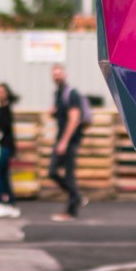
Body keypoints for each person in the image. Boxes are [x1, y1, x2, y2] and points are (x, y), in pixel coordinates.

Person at [48, 63, 88, 221]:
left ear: (65, 75)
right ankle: (76, 197)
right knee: (52, 172)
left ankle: (71, 210)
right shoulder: (58, 93)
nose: (57, 76)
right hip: (62, 138)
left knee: (68, 175)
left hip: (70, 139)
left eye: (59, 73)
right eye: (54, 74)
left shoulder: (71, 94)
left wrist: (64, 142)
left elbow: (74, 119)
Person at [0, 82, 21, 219]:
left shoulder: (5, 110)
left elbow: (3, 130)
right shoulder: (1, 109)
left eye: (2, 91)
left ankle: (3, 201)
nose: (0, 94)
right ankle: (11, 204)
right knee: (4, 175)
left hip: (5, 147)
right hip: (3, 146)